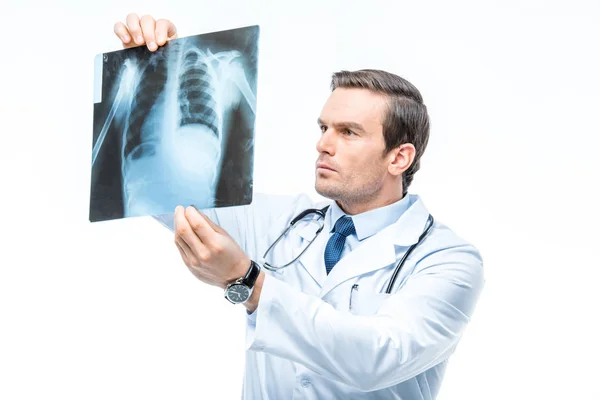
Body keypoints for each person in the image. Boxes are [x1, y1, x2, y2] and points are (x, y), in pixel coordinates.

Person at [113, 13, 485, 399]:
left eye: (348, 132)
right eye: (324, 128)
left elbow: (378, 357)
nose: (324, 144)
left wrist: (248, 281)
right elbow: (158, 187)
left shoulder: (448, 260)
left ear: (399, 158)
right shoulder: (282, 222)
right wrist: (154, 69)